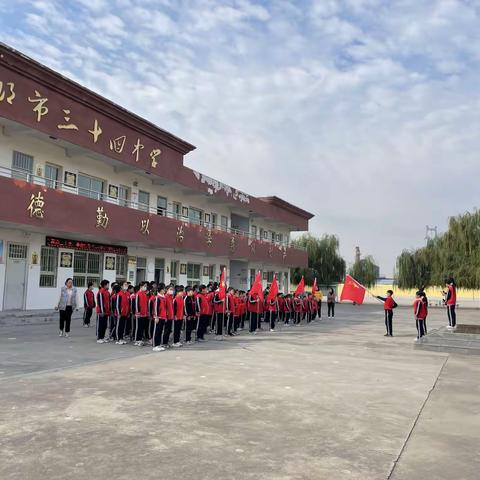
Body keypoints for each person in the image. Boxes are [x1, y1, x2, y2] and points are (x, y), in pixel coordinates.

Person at [152, 283, 166, 352]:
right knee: (157, 331)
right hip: (159, 317)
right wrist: (156, 317)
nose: (164, 290)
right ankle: (155, 345)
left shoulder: (163, 297)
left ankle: (158, 344)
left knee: (160, 331)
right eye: (163, 289)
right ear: (160, 290)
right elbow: (156, 308)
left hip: (163, 317)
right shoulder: (157, 298)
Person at [134, 281, 149, 346]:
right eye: (144, 286)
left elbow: (146, 304)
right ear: (141, 286)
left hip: (144, 313)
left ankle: (140, 339)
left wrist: (147, 312)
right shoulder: (138, 294)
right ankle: (137, 340)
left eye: (146, 286)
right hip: (139, 314)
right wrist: (138, 312)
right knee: (138, 327)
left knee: (142, 327)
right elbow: (137, 304)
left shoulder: (144, 294)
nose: (145, 287)